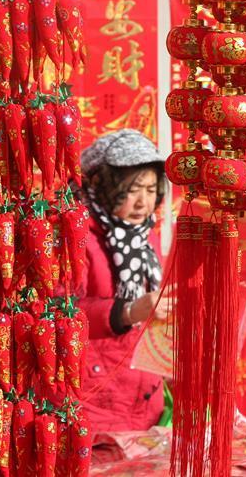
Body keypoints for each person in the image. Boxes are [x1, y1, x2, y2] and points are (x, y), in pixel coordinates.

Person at [76, 129, 174, 432]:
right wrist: (128, 311)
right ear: (102, 186)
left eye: (150, 188)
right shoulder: (76, 235)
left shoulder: (145, 237)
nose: (143, 202)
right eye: (132, 189)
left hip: (144, 391)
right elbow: (60, 311)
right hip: (95, 393)